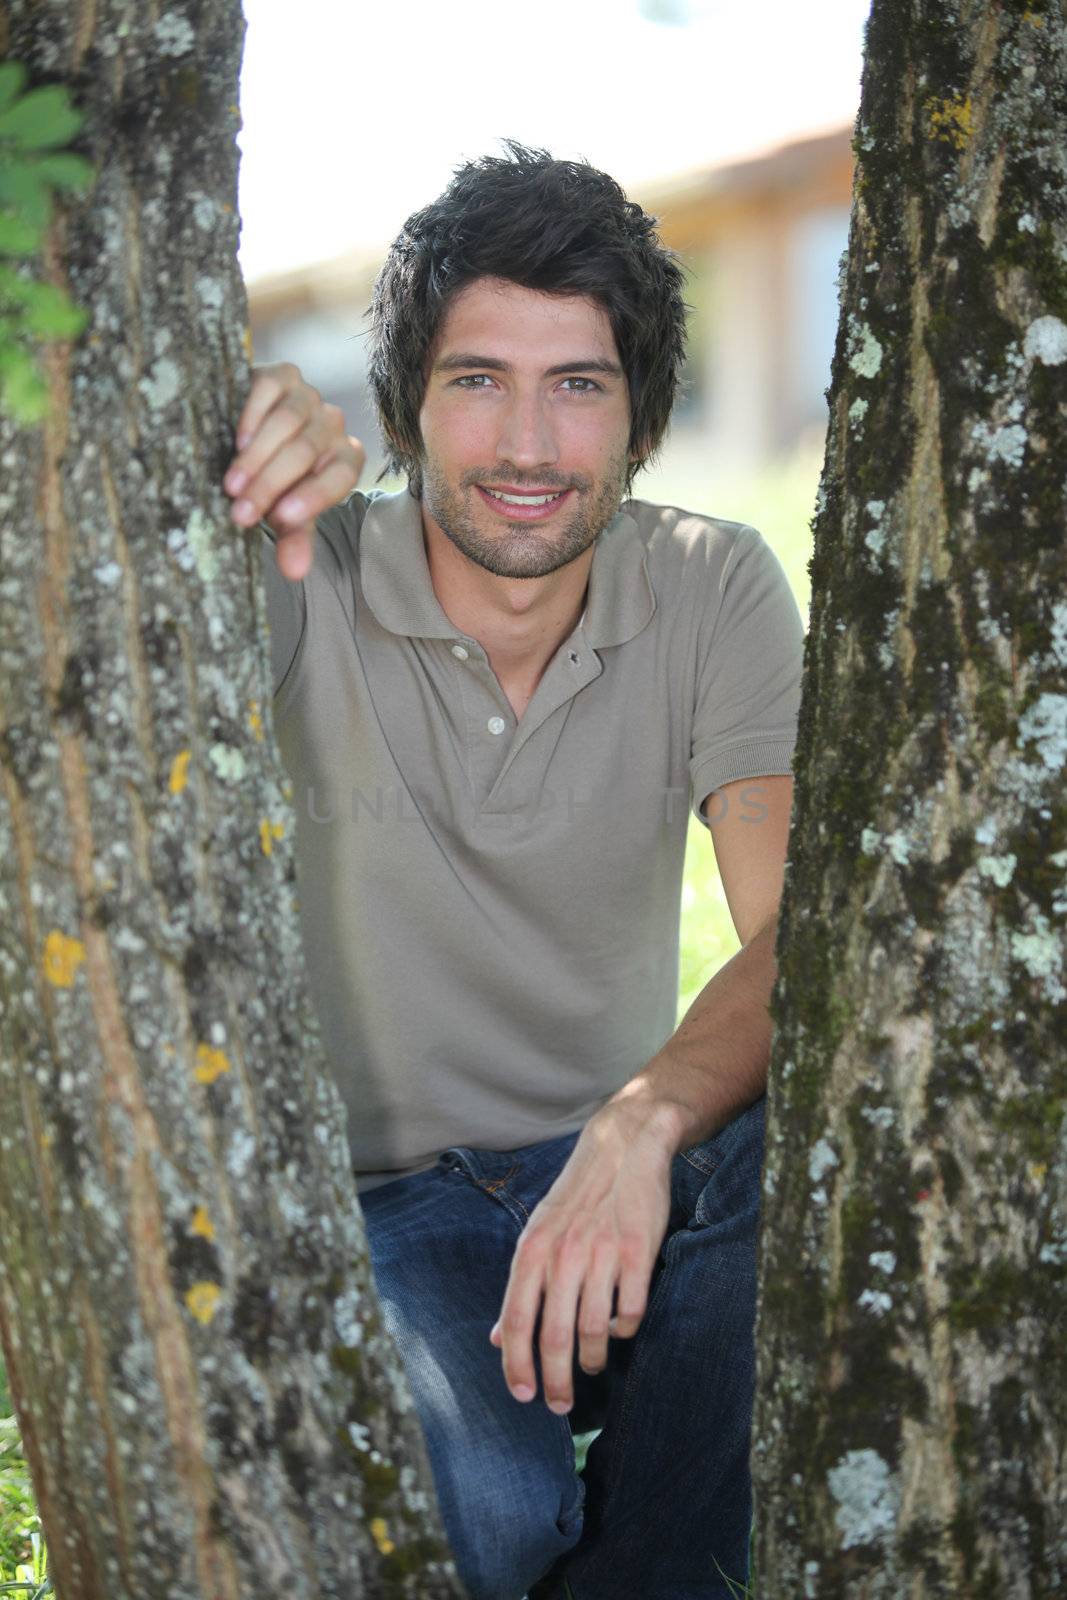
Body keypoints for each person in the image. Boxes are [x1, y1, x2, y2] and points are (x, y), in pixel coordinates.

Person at [223, 140, 804, 1599]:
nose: (529, 448)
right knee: (481, 1524)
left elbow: (803, 939)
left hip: (619, 1184)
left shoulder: (713, 582)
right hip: (381, 1214)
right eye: (478, 380)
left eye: (580, 384)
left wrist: (642, 1121)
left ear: (642, 418)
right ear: (408, 406)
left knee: (827, 1159)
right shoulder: (303, 573)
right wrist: (231, 439)